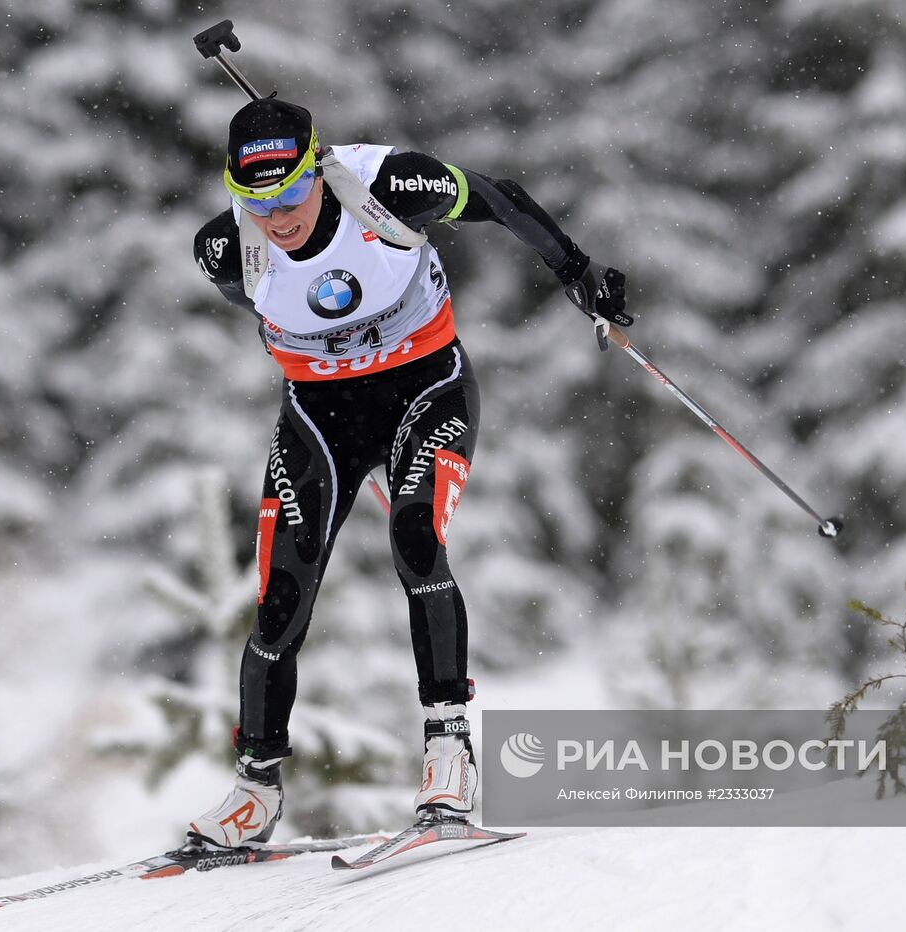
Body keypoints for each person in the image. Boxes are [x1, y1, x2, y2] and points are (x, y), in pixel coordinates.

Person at [187, 96, 630, 848]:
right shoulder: (226, 251)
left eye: (292, 190)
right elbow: (264, 302)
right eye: (256, 199)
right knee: (280, 592)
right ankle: (256, 788)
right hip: (321, 415)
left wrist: (577, 270)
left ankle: (449, 751)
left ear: (318, 169)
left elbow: (498, 198)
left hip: (426, 389)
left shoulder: (388, 186)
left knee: (415, 535)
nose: (280, 214)